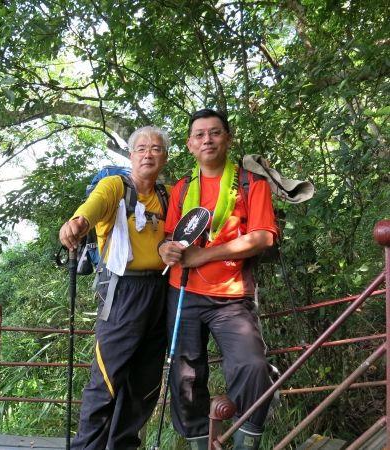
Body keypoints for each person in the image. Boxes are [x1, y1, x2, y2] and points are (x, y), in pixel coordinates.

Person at [158, 109, 277, 450]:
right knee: (185, 376)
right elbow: (170, 238)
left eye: (214, 133)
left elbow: (263, 237)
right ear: (190, 145)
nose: (207, 140)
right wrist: (167, 249)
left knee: (252, 366)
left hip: (232, 295)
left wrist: (204, 255)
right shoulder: (181, 189)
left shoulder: (251, 184)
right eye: (200, 135)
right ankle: (199, 443)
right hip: (182, 292)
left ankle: (243, 440)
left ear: (228, 138)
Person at [59, 125, 172, 450]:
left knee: (146, 381)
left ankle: (122, 446)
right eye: (141, 148)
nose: (148, 153)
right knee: (107, 379)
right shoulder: (115, 187)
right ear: (131, 156)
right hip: (122, 292)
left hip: (161, 291)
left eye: (155, 149)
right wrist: (77, 224)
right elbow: (92, 209)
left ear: (164, 157)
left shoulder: (167, 196)